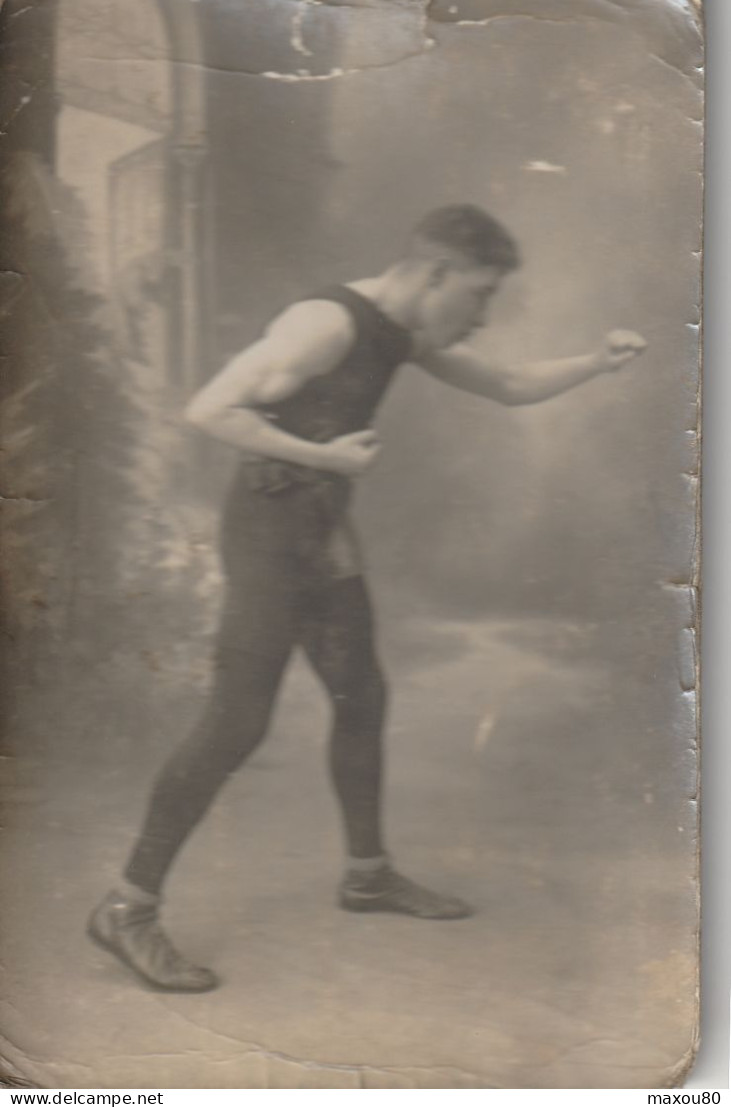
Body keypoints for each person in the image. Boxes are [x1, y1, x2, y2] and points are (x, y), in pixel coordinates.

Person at [87, 205, 646, 992]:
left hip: (321, 528)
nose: (483, 316)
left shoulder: (400, 331)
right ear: (434, 274)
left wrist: (598, 359)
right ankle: (128, 906)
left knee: (362, 698)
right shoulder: (324, 324)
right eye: (480, 295)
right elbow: (208, 408)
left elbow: (510, 384)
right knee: (237, 719)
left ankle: (366, 874)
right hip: (268, 531)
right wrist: (319, 453)